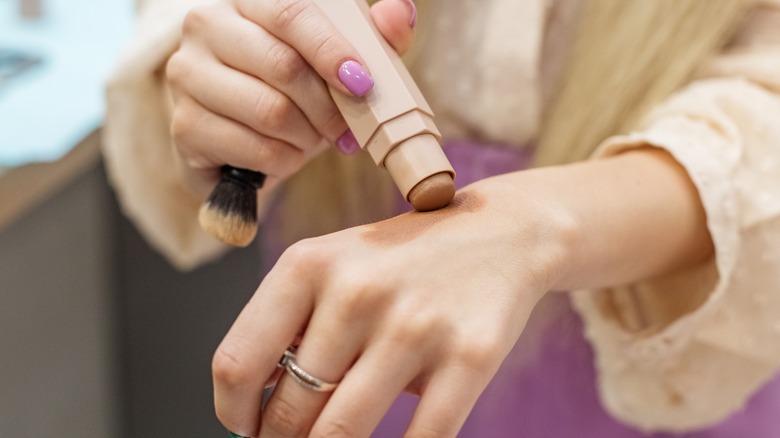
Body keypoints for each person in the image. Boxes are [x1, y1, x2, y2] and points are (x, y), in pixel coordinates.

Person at [103, 0, 780, 436]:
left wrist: (535, 227)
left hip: (671, 375)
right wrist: (224, 88)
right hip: (353, 367)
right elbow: (190, 28)